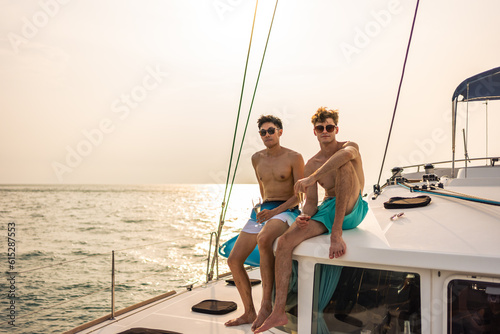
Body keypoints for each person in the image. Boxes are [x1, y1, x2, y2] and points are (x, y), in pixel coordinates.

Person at [254, 107, 368, 333]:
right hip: (327, 208)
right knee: (286, 242)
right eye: (320, 128)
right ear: (314, 132)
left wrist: (313, 178)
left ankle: (336, 233)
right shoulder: (312, 163)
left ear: (336, 129)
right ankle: (278, 311)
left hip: (352, 208)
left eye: (329, 127)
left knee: (342, 164)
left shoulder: (348, 147)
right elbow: (312, 202)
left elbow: (345, 156)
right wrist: (305, 215)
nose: (325, 131)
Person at [224, 115, 304, 329]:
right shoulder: (256, 158)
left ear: (280, 132)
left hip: (286, 210)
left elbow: (300, 196)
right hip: (264, 210)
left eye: (271, 130)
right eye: (263, 132)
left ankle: (266, 306)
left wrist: (275, 211)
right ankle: (249, 312)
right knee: (233, 260)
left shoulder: (294, 157)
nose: (267, 135)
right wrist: (260, 210)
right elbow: (263, 189)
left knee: (265, 238)